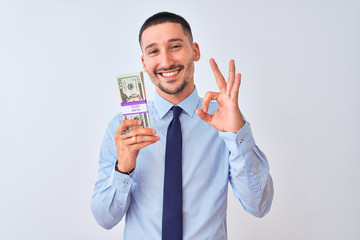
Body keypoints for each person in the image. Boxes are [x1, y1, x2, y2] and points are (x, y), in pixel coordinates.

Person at [91, 11, 274, 240]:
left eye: (175, 46)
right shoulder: (122, 127)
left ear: (194, 51)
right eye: (154, 51)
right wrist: (123, 169)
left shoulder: (224, 121)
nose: (166, 61)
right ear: (144, 62)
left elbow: (260, 206)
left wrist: (237, 135)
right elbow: (104, 218)